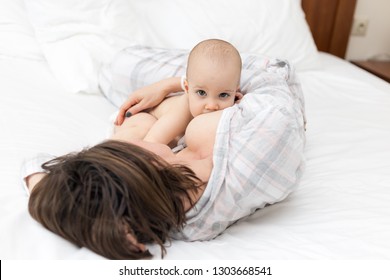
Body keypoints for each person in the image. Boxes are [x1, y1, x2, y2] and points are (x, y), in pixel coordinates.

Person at [25, 53, 306, 260]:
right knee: (123, 66)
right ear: (143, 167)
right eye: (130, 148)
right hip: (245, 82)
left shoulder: (155, 210)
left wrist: (178, 88)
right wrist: (181, 84)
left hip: (194, 95)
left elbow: (35, 163)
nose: (135, 142)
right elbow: (270, 72)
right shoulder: (265, 138)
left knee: (116, 67)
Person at [112, 39, 242, 147]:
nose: (212, 105)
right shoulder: (183, 111)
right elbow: (151, 142)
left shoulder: (231, 109)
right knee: (146, 129)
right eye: (201, 93)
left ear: (235, 91)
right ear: (186, 88)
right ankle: (109, 154)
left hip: (164, 131)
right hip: (139, 118)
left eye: (223, 95)